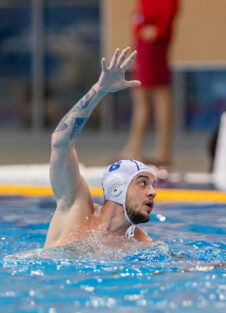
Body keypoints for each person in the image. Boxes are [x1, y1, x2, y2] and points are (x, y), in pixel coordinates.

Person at [44, 48, 157, 249]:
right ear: (117, 187)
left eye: (152, 184)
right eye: (142, 183)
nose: (153, 192)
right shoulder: (75, 207)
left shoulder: (141, 244)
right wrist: (100, 89)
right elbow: (60, 141)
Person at [119, 0, 179, 166]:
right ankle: (135, 146)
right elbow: (138, 21)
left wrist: (155, 31)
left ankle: (161, 149)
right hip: (144, 47)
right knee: (142, 98)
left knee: (159, 95)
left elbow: (165, 21)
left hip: (155, 48)